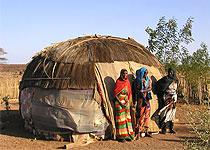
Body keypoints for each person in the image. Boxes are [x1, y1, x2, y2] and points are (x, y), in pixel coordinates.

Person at [155, 67, 178, 134]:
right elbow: (160, 85)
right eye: (169, 72)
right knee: (165, 112)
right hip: (167, 97)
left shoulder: (176, 79)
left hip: (173, 97)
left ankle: (171, 128)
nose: (170, 73)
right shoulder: (166, 79)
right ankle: (164, 128)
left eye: (172, 72)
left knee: (172, 112)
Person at [114, 69, 134, 142]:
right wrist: (120, 103)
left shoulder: (127, 82)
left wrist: (126, 102)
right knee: (120, 118)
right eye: (123, 73)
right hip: (119, 102)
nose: (125, 75)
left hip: (126, 101)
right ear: (121, 74)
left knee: (127, 118)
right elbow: (115, 94)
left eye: (126, 73)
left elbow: (129, 93)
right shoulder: (118, 82)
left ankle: (128, 134)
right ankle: (121, 136)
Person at [134, 67, 152, 139]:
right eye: (145, 72)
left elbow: (150, 88)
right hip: (140, 99)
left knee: (147, 114)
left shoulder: (148, 79)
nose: (146, 74)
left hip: (146, 98)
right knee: (140, 114)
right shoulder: (137, 81)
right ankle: (138, 131)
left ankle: (145, 130)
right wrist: (135, 100)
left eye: (147, 72)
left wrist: (143, 91)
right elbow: (135, 91)